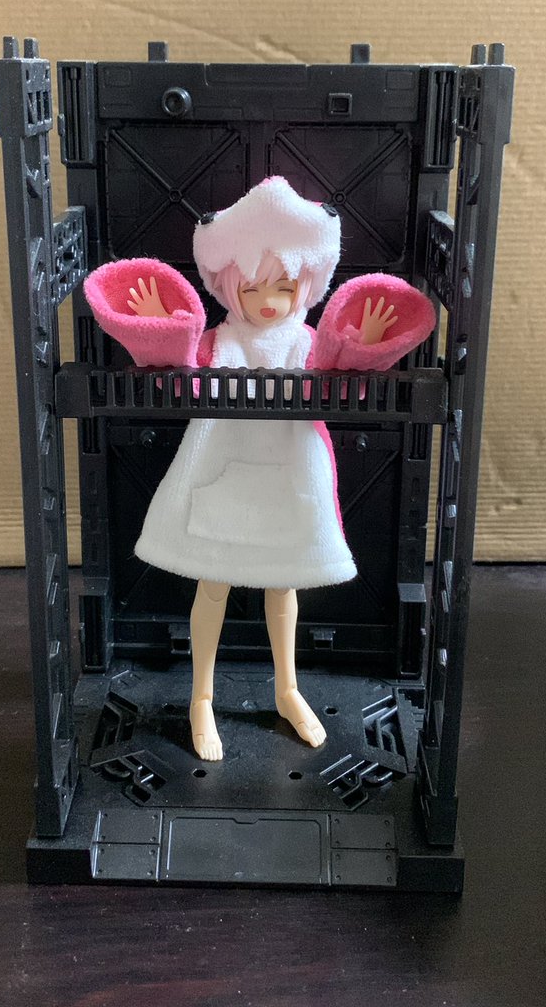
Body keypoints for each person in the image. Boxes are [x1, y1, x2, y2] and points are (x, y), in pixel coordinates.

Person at [84, 176, 435, 761]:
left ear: (306, 285)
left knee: (284, 584)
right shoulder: (219, 340)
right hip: (220, 463)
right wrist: (164, 328)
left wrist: (359, 345)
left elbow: (337, 381)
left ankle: (287, 688)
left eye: (284, 286)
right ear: (229, 286)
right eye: (252, 287)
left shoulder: (306, 342)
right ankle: (201, 696)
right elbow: (178, 372)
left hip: (289, 469)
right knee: (212, 584)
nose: (269, 301)